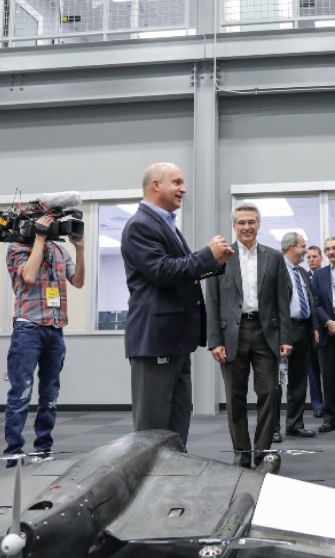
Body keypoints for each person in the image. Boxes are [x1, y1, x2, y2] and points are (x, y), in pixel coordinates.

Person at [122, 163, 233, 448]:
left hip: (175, 340)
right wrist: (207, 255)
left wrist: (215, 264)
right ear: (156, 185)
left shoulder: (164, 223)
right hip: (156, 340)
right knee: (153, 428)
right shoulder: (140, 225)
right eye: (177, 182)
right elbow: (163, 271)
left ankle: (172, 476)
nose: (183, 188)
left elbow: (179, 271)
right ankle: (150, 482)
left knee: (177, 420)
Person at [206, 203, 292, 468]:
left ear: (258, 225)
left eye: (251, 222)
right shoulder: (220, 257)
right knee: (235, 397)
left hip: (266, 333)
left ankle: (262, 450)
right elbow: (212, 300)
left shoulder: (274, 257)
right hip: (232, 334)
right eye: (241, 222)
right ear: (234, 226)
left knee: (269, 392)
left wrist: (285, 337)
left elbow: (283, 299)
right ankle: (242, 453)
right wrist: (214, 341)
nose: (246, 227)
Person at [4, 213, 85, 461]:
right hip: (28, 328)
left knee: (50, 396)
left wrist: (79, 249)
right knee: (21, 394)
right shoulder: (16, 248)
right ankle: (14, 454)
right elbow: (28, 276)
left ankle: (43, 449)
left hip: (55, 329)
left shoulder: (60, 251)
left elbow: (79, 281)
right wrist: (38, 238)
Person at [279, 232, 318, 438]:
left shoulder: (302, 273)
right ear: (293, 247)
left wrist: (314, 327)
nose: (306, 250)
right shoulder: (276, 268)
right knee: (276, 382)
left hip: (303, 330)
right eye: (304, 246)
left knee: (299, 380)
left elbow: (311, 301)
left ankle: (294, 424)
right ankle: (273, 428)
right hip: (282, 331)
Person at [311, 236, 335, 432]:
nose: (331, 252)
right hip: (326, 333)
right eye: (328, 249)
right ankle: (329, 418)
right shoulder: (318, 275)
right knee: (327, 377)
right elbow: (315, 303)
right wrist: (328, 322)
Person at [305, 245, 325, 419]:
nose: (311, 260)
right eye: (309, 257)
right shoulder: (304, 277)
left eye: (314, 257)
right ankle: (317, 404)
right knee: (312, 370)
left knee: (330, 370)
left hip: (327, 329)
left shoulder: (328, 276)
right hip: (310, 330)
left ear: (321, 258)